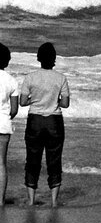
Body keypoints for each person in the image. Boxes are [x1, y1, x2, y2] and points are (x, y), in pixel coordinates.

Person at [19, 42, 70, 208]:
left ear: (39, 59)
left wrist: (35, 98)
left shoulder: (30, 77)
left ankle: (31, 200)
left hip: (35, 120)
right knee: (54, 159)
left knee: (32, 159)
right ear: (54, 59)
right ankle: (54, 201)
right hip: (54, 121)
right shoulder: (61, 78)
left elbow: (23, 102)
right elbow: (65, 103)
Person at [0, 43, 19, 207]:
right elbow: (14, 110)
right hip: (3, 125)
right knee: (1, 163)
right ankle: (0, 201)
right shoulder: (11, 80)